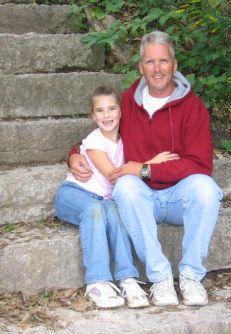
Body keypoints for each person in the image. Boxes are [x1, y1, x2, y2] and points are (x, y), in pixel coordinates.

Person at [69, 31, 223, 307]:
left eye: (163, 61)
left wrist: (145, 170)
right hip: (141, 200)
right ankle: (161, 277)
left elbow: (200, 165)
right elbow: (100, 135)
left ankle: (190, 276)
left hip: (177, 196)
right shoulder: (127, 102)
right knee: (125, 186)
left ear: (175, 65)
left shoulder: (193, 107)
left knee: (206, 188)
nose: (157, 68)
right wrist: (72, 155)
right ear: (141, 68)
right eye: (150, 62)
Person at [55, 85, 179, 309]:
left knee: (117, 212)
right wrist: (152, 163)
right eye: (100, 111)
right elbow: (114, 176)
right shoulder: (95, 141)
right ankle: (97, 282)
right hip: (74, 195)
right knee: (95, 210)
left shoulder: (125, 141)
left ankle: (127, 278)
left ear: (121, 112)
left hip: (103, 201)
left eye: (111, 109)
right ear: (92, 116)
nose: (106, 115)